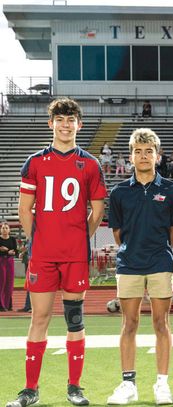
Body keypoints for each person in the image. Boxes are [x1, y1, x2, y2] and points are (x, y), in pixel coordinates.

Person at [9, 97, 106, 407]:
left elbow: (98, 209)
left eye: (71, 120)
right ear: (50, 124)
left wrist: (80, 238)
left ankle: (74, 387)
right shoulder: (35, 162)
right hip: (44, 254)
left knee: (75, 318)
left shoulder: (90, 163)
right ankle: (30, 389)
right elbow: (26, 210)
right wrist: (37, 239)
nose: (66, 125)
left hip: (75, 255)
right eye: (60, 120)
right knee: (39, 317)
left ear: (79, 124)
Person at [107, 128, 173, 405]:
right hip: (129, 264)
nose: (143, 156)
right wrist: (135, 248)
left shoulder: (172, 190)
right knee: (130, 323)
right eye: (138, 151)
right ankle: (128, 384)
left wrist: (154, 249)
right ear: (131, 156)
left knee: (161, 323)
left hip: (160, 262)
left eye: (148, 151)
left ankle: (162, 384)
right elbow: (118, 234)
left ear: (157, 155)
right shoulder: (119, 192)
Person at [0, 221, 18, 311]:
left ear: (9, 230)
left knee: (9, 283)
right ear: (0, 229)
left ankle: (8, 304)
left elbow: (15, 251)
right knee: (1, 282)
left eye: (6, 228)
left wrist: (12, 252)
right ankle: (1, 305)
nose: (4, 230)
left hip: (10, 261)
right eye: (3, 228)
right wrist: (5, 251)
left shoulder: (12, 239)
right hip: (1, 261)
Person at [17, 239, 32, 312]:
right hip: (28, 262)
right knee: (30, 284)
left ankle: (31, 306)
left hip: (35, 262)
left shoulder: (36, 235)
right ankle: (28, 306)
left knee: (33, 284)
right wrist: (23, 252)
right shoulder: (28, 238)